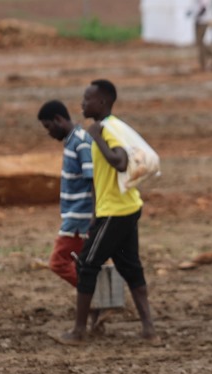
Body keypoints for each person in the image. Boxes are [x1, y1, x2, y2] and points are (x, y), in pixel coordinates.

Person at [56, 79, 158, 346]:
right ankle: (149, 330)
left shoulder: (106, 129)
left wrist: (97, 137)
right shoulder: (111, 126)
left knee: (87, 264)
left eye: (87, 99)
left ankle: (78, 331)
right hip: (124, 207)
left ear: (101, 102)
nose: (82, 103)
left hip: (116, 210)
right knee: (130, 267)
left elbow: (120, 161)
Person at [37, 99, 109, 333]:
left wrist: (94, 215)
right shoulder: (73, 141)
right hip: (77, 215)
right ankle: (96, 310)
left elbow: (93, 179)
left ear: (59, 119)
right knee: (84, 265)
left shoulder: (79, 142)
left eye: (49, 127)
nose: (49, 133)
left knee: (59, 263)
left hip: (79, 218)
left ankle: (98, 297)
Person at [188, 0, 212, 71]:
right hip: (199, 21)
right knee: (200, 43)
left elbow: (204, 7)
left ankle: (208, 60)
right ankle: (211, 58)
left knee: (200, 42)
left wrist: (198, 14)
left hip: (202, 21)